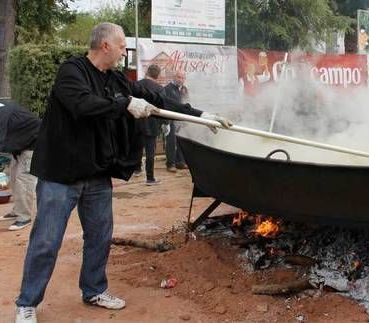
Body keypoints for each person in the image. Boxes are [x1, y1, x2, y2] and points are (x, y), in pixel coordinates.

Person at [13, 22, 232, 323]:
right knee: (46, 241)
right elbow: (82, 105)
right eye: (120, 47)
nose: (122, 52)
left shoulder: (116, 79)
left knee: (100, 237)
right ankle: (27, 303)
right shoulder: (72, 71)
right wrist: (125, 103)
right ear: (105, 45)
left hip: (97, 175)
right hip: (60, 176)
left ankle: (94, 290)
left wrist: (200, 116)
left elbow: (156, 98)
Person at [0, 99, 40, 231]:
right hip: (20, 145)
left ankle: (24, 217)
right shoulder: (0, 107)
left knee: (23, 180)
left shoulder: (0, 114)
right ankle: (17, 210)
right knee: (14, 177)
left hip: (35, 143)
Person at [134, 64, 168, 185]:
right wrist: (166, 123)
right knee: (150, 152)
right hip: (152, 123)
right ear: (158, 75)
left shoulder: (137, 84)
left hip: (137, 121)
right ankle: (150, 178)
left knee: (137, 147)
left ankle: (137, 169)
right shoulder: (159, 89)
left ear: (147, 72)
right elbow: (162, 108)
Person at [164, 70, 189, 172]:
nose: (181, 80)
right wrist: (166, 121)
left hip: (181, 119)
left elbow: (187, 102)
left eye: (183, 78)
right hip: (171, 119)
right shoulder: (167, 89)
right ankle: (171, 164)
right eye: (179, 77)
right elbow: (165, 104)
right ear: (174, 77)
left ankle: (180, 162)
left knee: (181, 141)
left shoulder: (184, 89)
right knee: (171, 142)